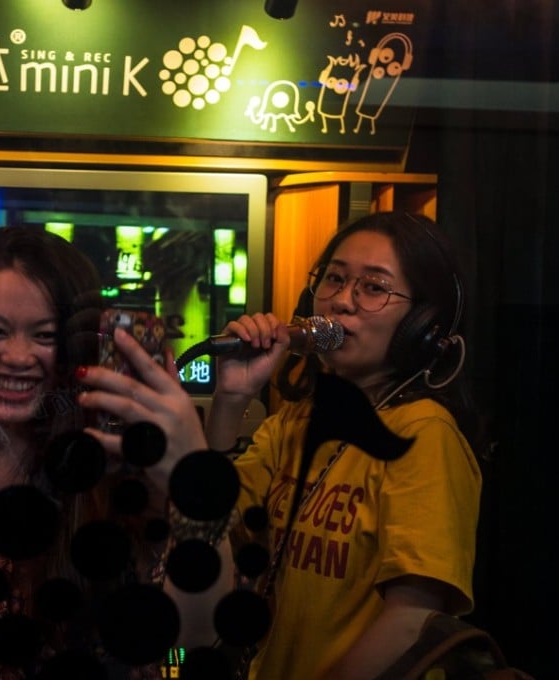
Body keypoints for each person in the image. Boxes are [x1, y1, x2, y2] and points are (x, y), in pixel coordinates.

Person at [0, 226, 210, 679]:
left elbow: (193, 638)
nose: (17, 356)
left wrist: (193, 472)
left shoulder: (121, 473)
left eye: (45, 336)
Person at [168, 211, 481, 679]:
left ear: (422, 325)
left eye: (373, 287)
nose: (341, 301)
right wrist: (231, 401)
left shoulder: (425, 434)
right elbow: (214, 526)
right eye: (334, 279)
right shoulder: (294, 422)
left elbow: (412, 619)